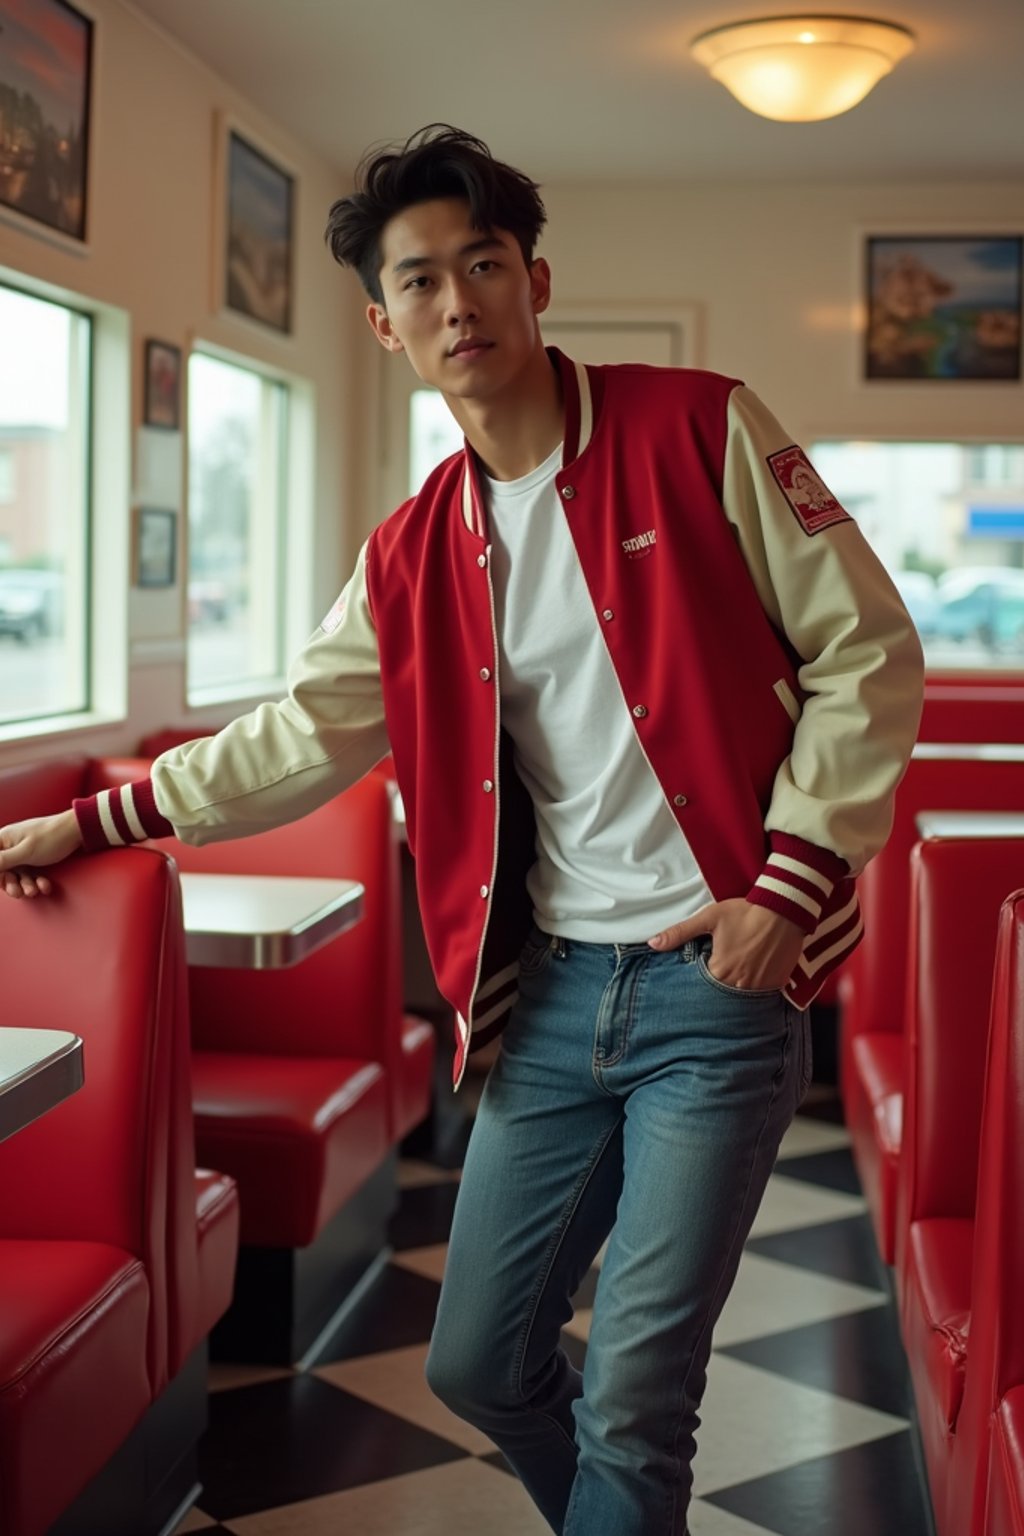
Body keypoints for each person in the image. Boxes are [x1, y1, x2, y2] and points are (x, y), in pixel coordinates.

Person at [0, 125, 924, 1536]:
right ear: (383, 324)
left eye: (482, 266)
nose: (457, 305)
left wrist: (784, 894)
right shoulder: (414, 548)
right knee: (478, 1364)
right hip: (548, 999)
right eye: (420, 283)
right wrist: (94, 820)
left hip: (718, 987)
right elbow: (298, 737)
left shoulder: (702, 426)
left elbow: (868, 652)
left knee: (635, 1400)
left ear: (535, 279)